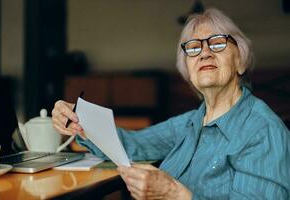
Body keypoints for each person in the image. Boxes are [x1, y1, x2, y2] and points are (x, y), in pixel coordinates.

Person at [52, 8, 290, 199]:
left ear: (240, 62)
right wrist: (80, 118)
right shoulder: (192, 122)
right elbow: (133, 145)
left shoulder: (263, 131)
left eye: (217, 42)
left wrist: (174, 193)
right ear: (188, 71)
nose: (204, 53)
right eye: (194, 48)